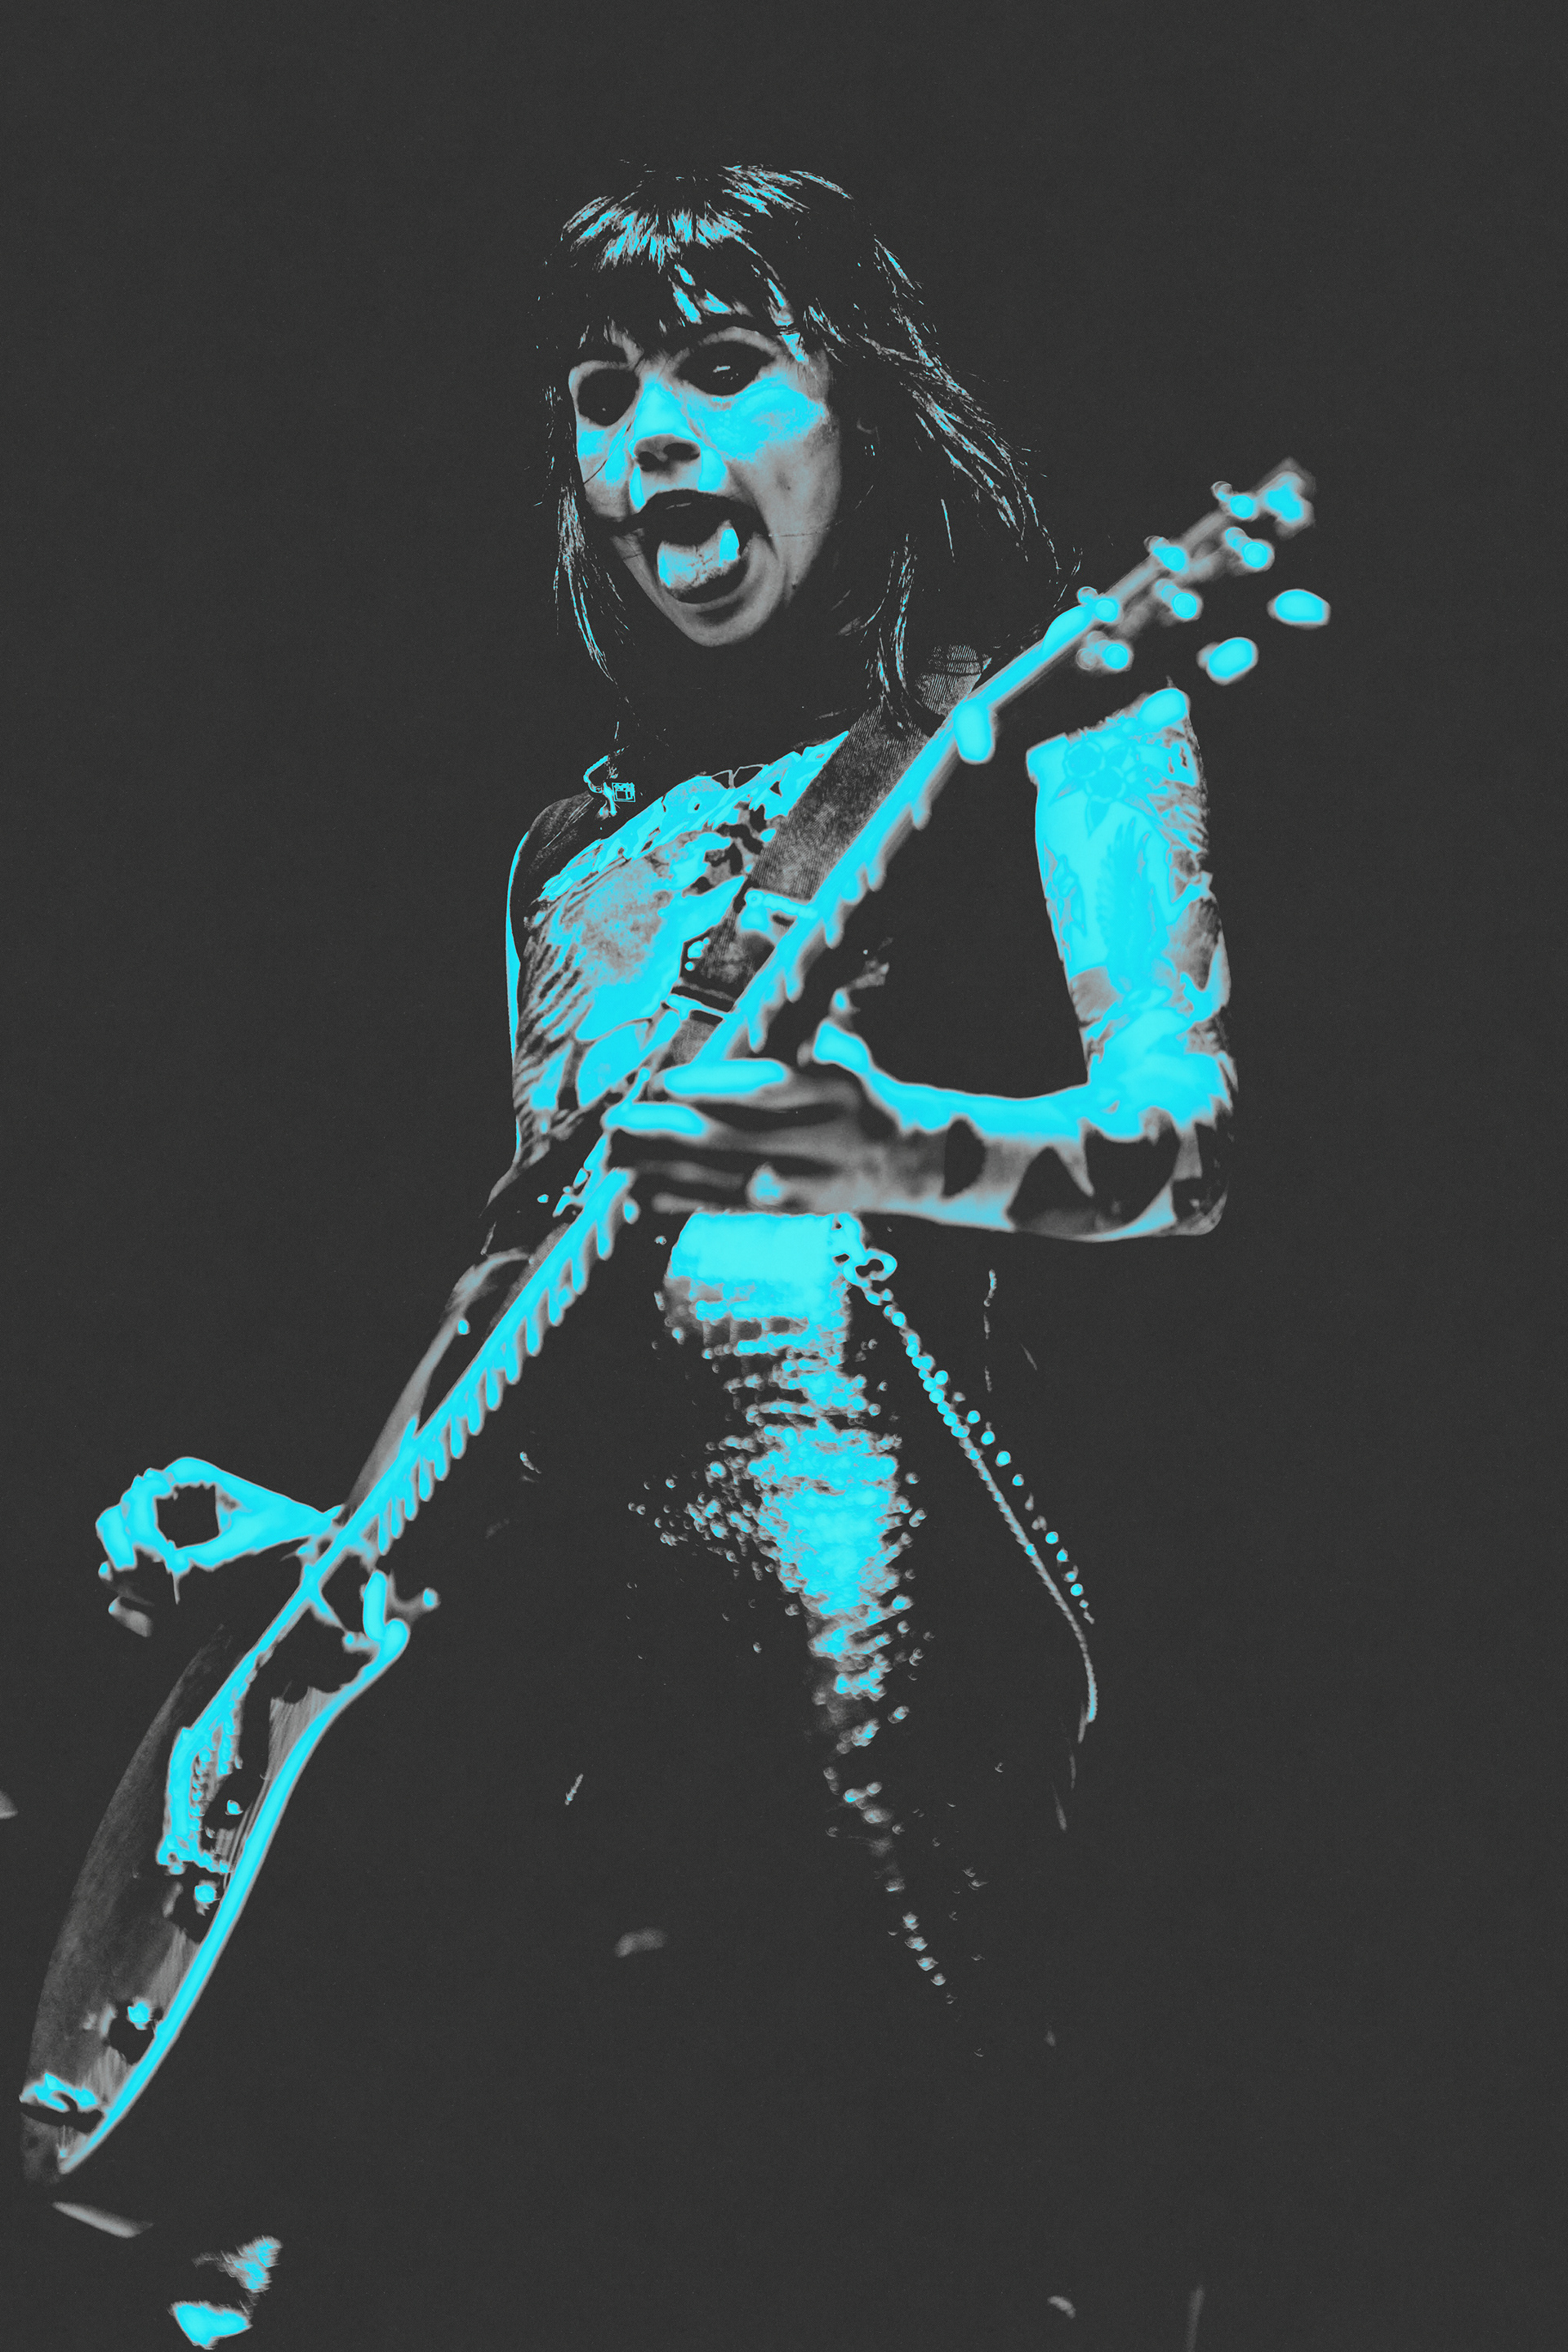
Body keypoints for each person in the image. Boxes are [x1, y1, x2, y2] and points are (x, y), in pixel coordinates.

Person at [53, 167, 1235, 2348]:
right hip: (537, 1681)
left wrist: (892, 1146)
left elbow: (1189, 1140)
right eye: (603, 394)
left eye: (723, 365)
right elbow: (535, 1308)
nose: (651, 438)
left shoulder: (1046, 707)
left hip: (853, 1601)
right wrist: (332, 1547)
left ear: (864, 408)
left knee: (870, 2225)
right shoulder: (567, 854)